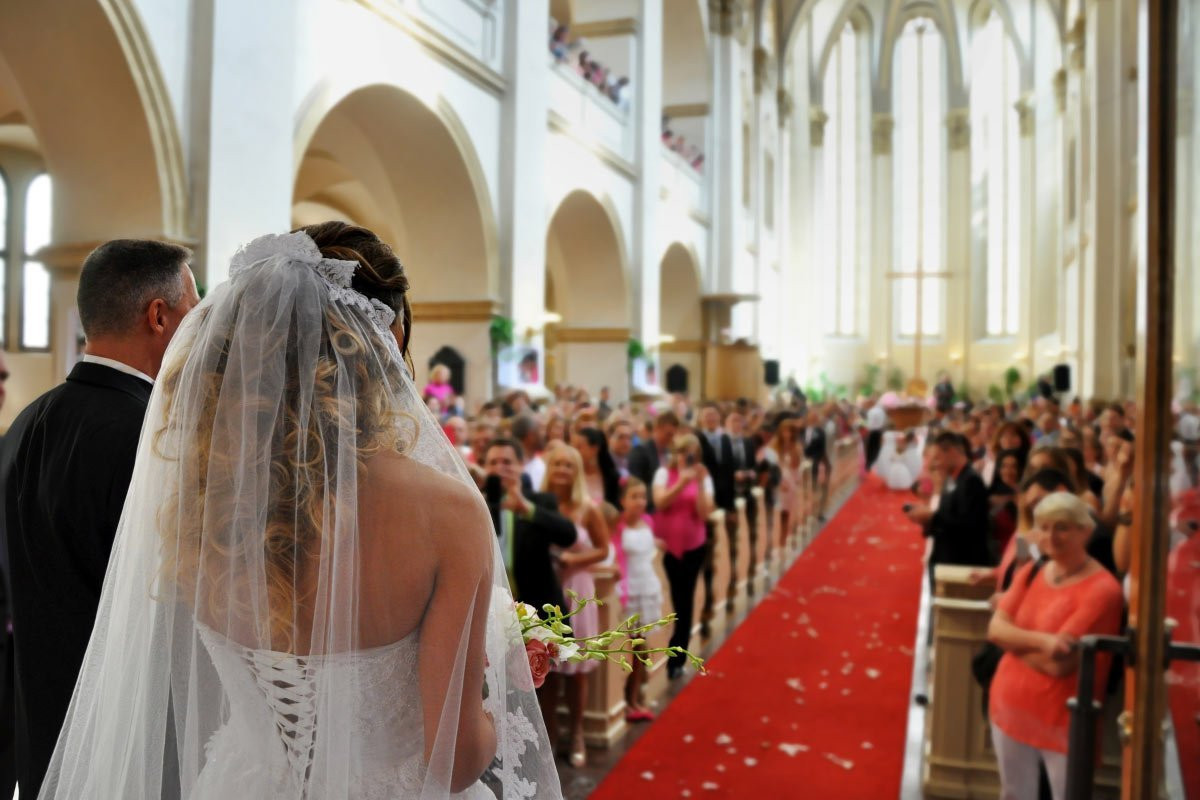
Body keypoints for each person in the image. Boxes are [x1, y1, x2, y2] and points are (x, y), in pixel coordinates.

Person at [34, 226, 563, 798]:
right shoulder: (446, 513)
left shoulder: (198, 500)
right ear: (391, 338)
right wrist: (491, 696)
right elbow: (453, 760)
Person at [0, 239, 199, 797]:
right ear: (158, 316)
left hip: (44, 733)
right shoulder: (150, 439)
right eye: (192, 311)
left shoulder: (30, 420)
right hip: (122, 742)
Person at [987, 492, 1124, 800]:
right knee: (1013, 794)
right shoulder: (1033, 570)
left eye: (1062, 527)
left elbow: (1059, 665)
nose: (1051, 536)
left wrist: (1015, 641)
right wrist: (1044, 641)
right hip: (1009, 706)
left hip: (1064, 721)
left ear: (1084, 531)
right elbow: (995, 629)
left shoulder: (1103, 590)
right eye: (1045, 527)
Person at [541, 445, 610, 768]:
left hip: (577, 588)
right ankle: (550, 736)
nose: (563, 470)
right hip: (545, 588)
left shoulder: (587, 508)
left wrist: (573, 559)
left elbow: (603, 550)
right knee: (547, 669)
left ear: (577, 471)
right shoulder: (540, 504)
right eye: (557, 464)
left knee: (577, 671)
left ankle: (578, 733)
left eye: (569, 465)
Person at [482, 438, 578, 614]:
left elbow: (568, 536)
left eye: (507, 462)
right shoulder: (476, 504)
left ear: (520, 465)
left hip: (539, 611)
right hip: (491, 611)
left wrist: (527, 509)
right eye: (493, 462)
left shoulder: (539, 502)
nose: (499, 468)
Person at [653, 433, 714, 680]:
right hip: (667, 549)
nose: (686, 457)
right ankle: (668, 649)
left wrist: (698, 483)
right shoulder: (663, 474)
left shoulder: (703, 478)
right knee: (673, 599)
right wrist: (680, 482)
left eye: (691, 453)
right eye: (682, 452)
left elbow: (704, 512)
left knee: (684, 601)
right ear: (675, 453)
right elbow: (660, 503)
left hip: (693, 547)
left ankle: (677, 657)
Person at [906, 432, 994, 587]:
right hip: (946, 554)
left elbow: (970, 527)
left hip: (961, 560)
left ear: (953, 452)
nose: (935, 465)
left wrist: (932, 518)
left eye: (938, 458)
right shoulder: (953, 477)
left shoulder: (971, 480)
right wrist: (928, 519)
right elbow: (948, 513)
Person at [611, 478, 662, 722]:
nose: (640, 501)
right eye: (634, 496)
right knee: (632, 648)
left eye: (643, 496)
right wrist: (621, 593)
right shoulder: (618, 526)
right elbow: (618, 559)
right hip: (629, 592)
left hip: (647, 588)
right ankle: (628, 699)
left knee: (643, 646)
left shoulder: (649, 522)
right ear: (623, 500)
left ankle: (636, 697)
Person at [628, 411, 680, 512]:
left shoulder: (671, 453)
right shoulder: (640, 451)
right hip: (648, 508)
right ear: (656, 429)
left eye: (673, 435)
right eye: (668, 434)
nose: (671, 439)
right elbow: (635, 483)